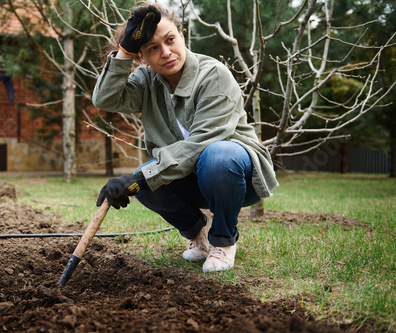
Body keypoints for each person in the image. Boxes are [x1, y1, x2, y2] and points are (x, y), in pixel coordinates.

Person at [92, 3, 278, 273]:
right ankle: (197, 235)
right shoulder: (146, 79)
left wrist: (141, 180)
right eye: (152, 48)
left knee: (216, 156)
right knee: (145, 176)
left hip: (234, 175)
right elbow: (105, 98)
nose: (166, 53)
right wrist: (124, 52)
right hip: (187, 178)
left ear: (182, 34)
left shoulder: (214, 75)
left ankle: (224, 240)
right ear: (142, 57)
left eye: (170, 40)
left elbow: (204, 142)